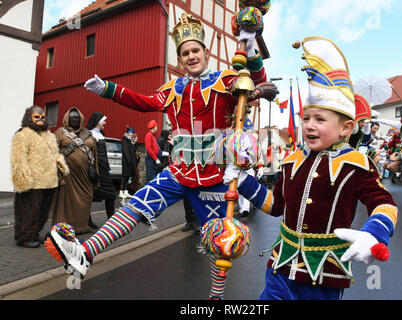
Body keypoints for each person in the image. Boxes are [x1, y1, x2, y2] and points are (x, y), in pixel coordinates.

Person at [45, 12, 278, 300]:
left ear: (206, 52)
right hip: (178, 172)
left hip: (216, 176)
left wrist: (250, 44)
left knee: (221, 243)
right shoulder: (172, 89)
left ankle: (215, 298)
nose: (191, 56)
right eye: (185, 53)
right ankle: (85, 253)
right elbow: (142, 102)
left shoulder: (226, 80)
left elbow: (255, 81)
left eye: (195, 51)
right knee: (137, 204)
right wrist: (108, 89)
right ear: (180, 60)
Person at [224, 37, 398, 300]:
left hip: (325, 275)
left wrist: (374, 233)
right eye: (306, 118)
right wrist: (245, 180)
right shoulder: (292, 159)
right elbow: (276, 206)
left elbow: (385, 204)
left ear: (345, 128)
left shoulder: (356, 164)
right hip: (281, 265)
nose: (309, 125)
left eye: (320, 119)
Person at [10, 106, 69, 248]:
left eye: (43, 117)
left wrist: (61, 171)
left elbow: (55, 155)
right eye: (37, 117)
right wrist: (23, 181)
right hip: (33, 183)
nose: (41, 119)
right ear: (29, 118)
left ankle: (34, 233)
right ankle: (24, 237)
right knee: (28, 211)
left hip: (49, 181)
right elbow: (18, 159)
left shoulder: (49, 135)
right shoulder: (23, 134)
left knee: (42, 211)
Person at [51, 107, 99, 234]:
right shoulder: (60, 132)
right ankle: (63, 229)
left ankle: (81, 227)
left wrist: (96, 175)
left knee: (86, 200)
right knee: (65, 204)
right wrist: (58, 175)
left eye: (77, 118)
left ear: (81, 119)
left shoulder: (88, 133)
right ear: (67, 119)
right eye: (72, 118)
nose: (74, 120)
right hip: (67, 176)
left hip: (85, 177)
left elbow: (94, 154)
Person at [86, 112, 117, 219]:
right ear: (97, 122)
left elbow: (104, 153)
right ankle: (87, 220)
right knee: (90, 195)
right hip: (95, 168)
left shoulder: (101, 134)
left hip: (103, 169)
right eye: (103, 120)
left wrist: (108, 168)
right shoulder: (88, 134)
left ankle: (111, 219)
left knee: (112, 194)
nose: (105, 122)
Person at [119, 126, 138, 201]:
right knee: (124, 177)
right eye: (130, 132)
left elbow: (133, 151)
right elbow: (126, 151)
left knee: (128, 177)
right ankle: (121, 191)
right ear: (127, 133)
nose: (131, 134)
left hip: (130, 162)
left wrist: (134, 142)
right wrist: (129, 160)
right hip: (126, 161)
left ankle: (126, 191)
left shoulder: (131, 141)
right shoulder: (124, 139)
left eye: (132, 133)